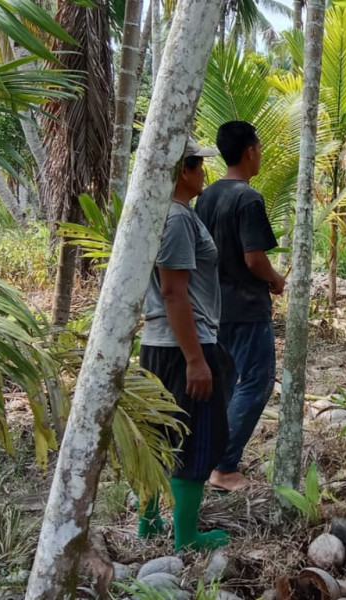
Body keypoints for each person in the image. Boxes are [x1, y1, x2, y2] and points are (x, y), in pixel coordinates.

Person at [138, 138, 230, 552]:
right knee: (195, 438)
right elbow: (175, 292)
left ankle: (150, 522)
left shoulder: (167, 215)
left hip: (162, 344)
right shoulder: (176, 220)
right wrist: (196, 359)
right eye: (198, 165)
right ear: (183, 171)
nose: (204, 173)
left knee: (157, 437)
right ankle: (186, 537)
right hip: (183, 346)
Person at [195, 121, 285, 492]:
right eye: (260, 148)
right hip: (246, 307)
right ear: (250, 151)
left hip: (214, 306)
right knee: (258, 381)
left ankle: (208, 457)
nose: (260, 155)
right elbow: (254, 258)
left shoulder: (208, 196)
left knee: (227, 384)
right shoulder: (248, 198)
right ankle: (224, 464)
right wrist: (276, 279)